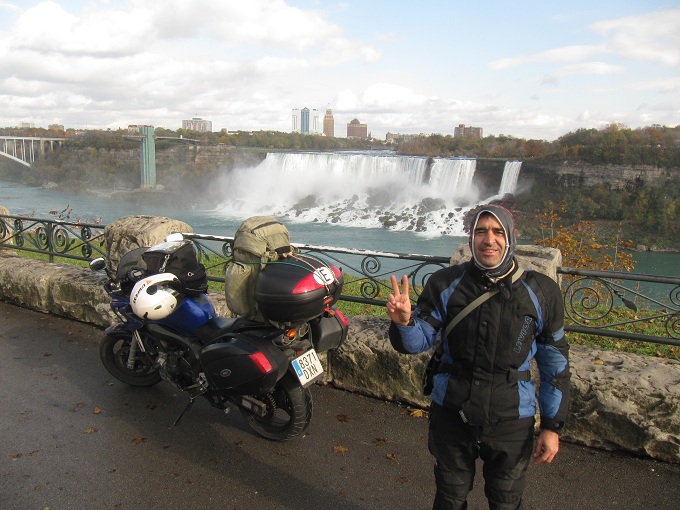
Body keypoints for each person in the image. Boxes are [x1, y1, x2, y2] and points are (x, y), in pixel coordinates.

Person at [386, 204, 570, 510]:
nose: (489, 240)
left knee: (506, 500)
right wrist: (404, 322)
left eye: (498, 232)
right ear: (470, 237)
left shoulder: (541, 291)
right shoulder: (445, 283)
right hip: (453, 411)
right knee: (450, 496)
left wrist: (552, 426)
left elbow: (556, 365)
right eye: (481, 231)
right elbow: (419, 342)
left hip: (511, 416)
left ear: (510, 237)